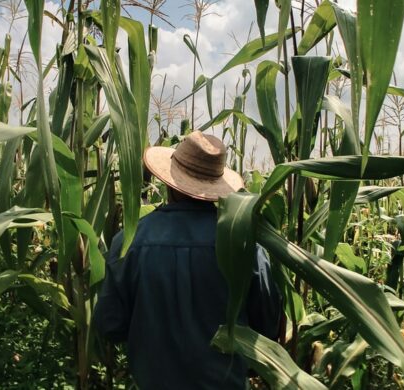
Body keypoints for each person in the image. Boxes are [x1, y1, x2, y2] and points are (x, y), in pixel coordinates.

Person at [92, 131, 282, 389]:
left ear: (169, 182)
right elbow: (268, 327)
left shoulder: (129, 242)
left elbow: (110, 325)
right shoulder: (244, 244)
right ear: (216, 186)